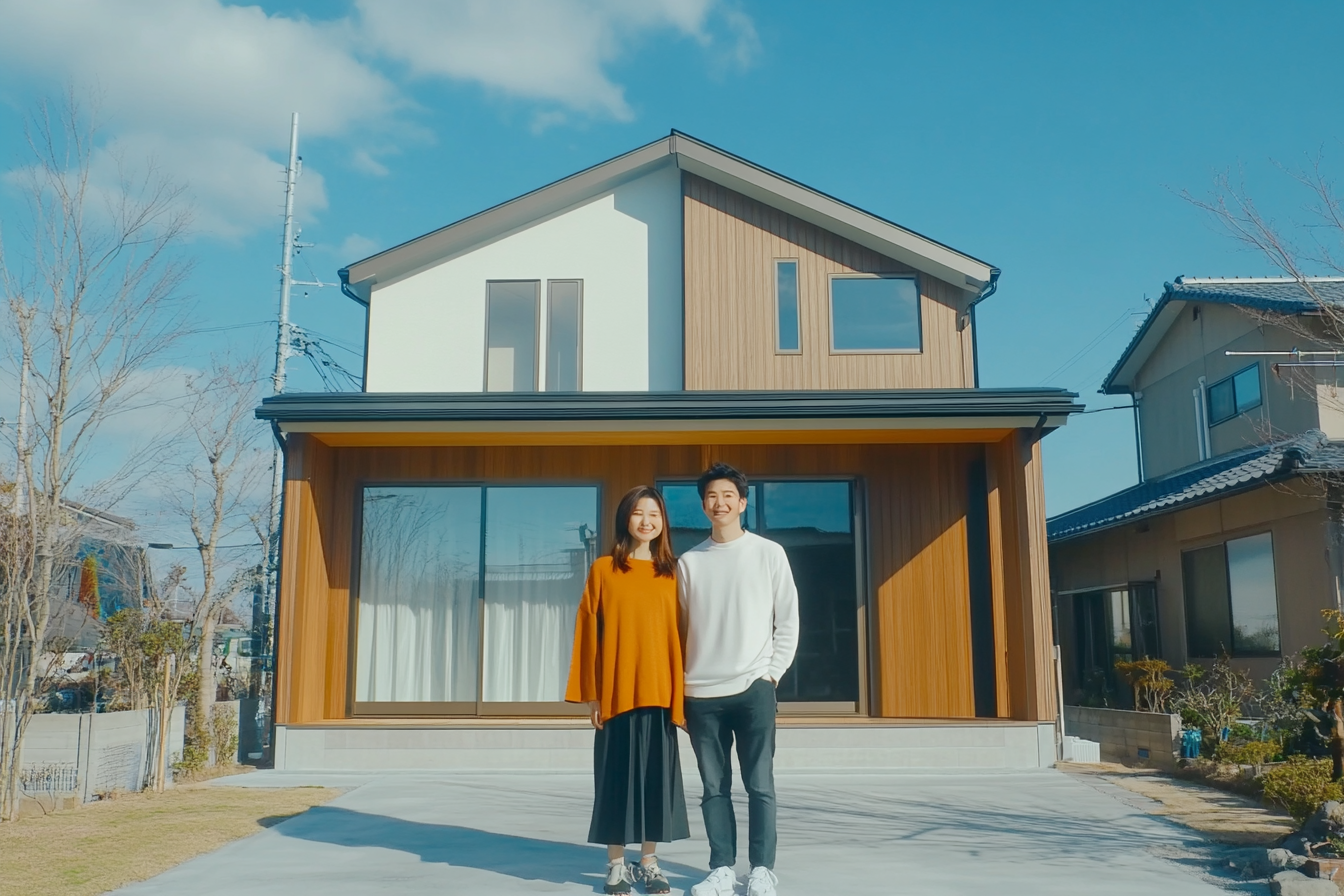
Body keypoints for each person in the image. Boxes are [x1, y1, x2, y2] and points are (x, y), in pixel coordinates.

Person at [679, 462, 799, 896]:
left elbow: (787, 619)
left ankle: (762, 869)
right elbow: (680, 628)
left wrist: (772, 673)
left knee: (760, 783)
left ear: (743, 502)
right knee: (714, 787)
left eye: (728, 495)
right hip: (701, 693)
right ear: (703, 505)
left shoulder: (768, 553)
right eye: (712, 496)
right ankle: (721, 869)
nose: (720, 502)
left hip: (754, 687)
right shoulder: (689, 562)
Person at [566, 485, 689, 895]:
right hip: (616, 695)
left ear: (663, 522)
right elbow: (587, 632)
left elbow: (685, 634)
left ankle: (649, 862)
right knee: (615, 781)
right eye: (639, 513)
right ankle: (616, 864)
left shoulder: (673, 572)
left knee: (657, 782)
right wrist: (592, 695)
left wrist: (684, 696)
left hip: (660, 692)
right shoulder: (604, 569)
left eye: (654, 514)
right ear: (626, 518)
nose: (647, 521)